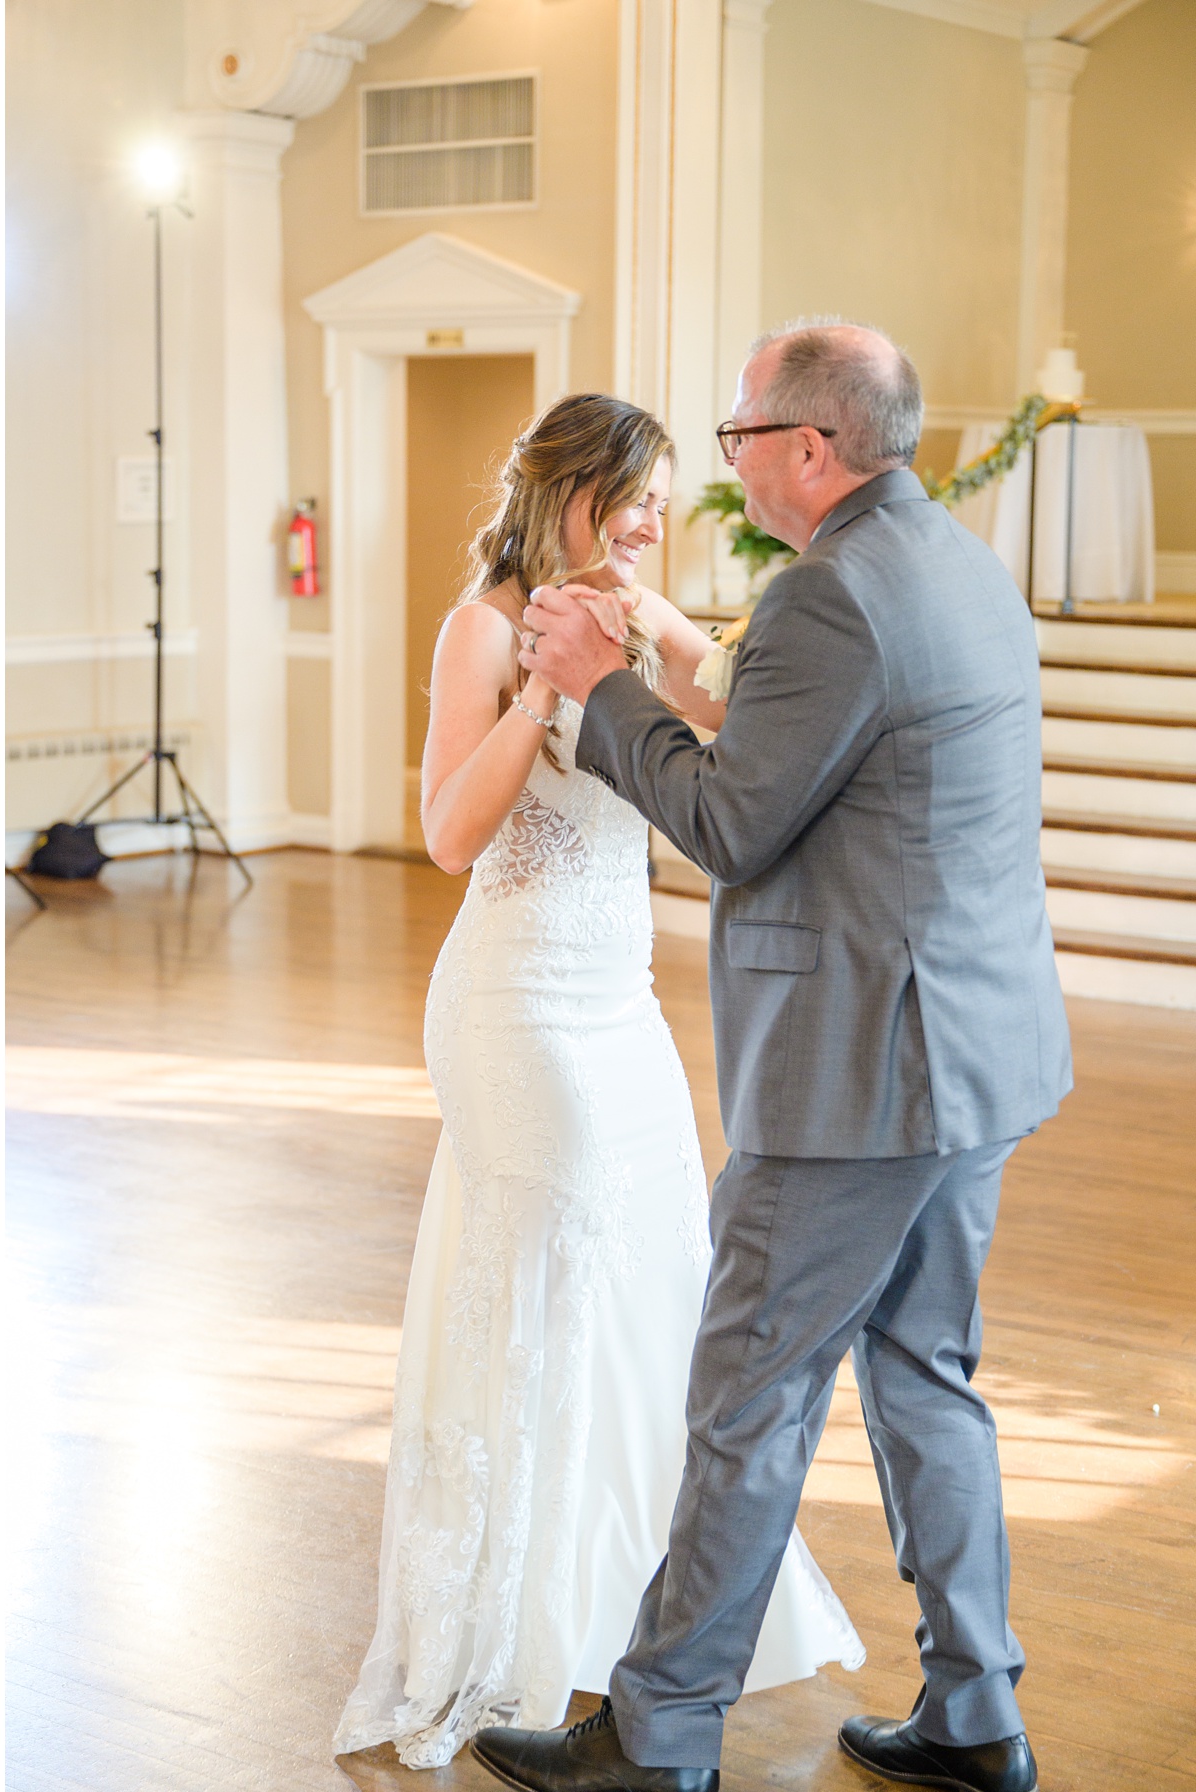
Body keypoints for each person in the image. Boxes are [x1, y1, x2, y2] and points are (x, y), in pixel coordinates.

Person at [478, 323, 1066, 1792]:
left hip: (861, 1076)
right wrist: (670, 653)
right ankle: (976, 1710)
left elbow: (735, 822)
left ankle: (662, 1734)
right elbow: (823, 749)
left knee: (749, 1394)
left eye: (739, 431)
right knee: (928, 1377)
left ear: (811, 448)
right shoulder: (955, 563)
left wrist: (603, 682)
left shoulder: (827, 597)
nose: (724, 455)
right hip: (977, 1054)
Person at [333, 393, 862, 1772]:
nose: (647, 525)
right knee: (544, 1285)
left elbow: (742, 731)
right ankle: (514, 1622)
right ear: (565, 489)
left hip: (621, 1007)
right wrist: (544, 693)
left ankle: (639, 1612)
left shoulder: (642, 610)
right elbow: (448, 833)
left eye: (659, 507)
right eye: (629, 500)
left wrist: (662, 639)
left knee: (652, 1283)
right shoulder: (482, 625)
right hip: (512, 1007)